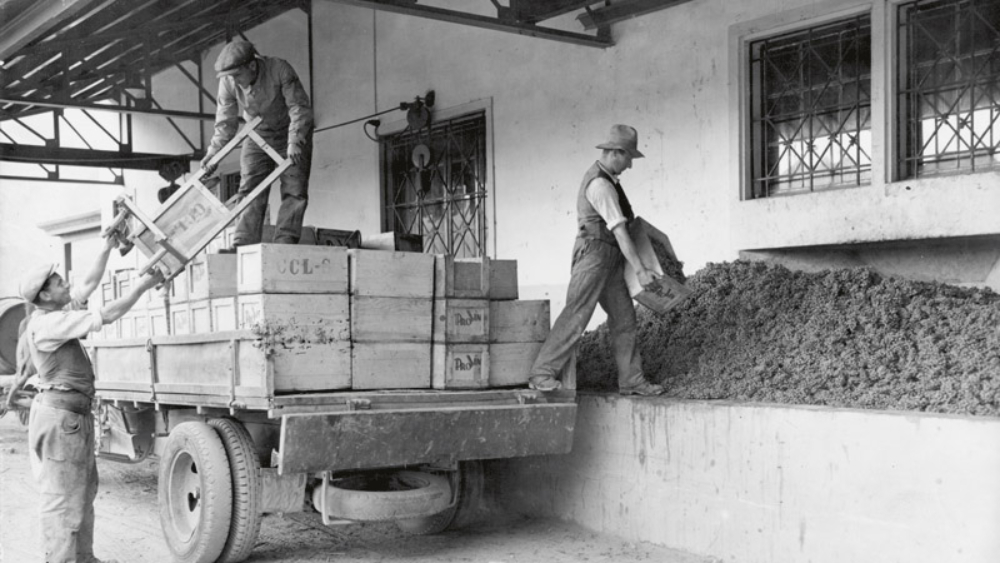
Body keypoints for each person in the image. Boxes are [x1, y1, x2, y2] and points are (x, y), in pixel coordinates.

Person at [18, 236, 163, 563]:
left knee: (83, 491)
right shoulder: (49, 323)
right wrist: (141, 286)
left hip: (71, 416)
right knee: (63, 499)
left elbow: (87, 284)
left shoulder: (57, 312)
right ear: (45, 294)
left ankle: (83, 559)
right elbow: (106, 315)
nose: (65, 283)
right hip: (60, 419)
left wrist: (107, 245)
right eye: (58, 282)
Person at [528, 124, 666, 396]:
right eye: (628, 158)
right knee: (577, 313)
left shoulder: (610, 182)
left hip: (609, 259)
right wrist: (640, 270)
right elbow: (619, 230)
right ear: (616, 152)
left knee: (625, 319)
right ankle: (541, 373)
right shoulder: (600, 185)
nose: (629, 165)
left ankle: (632, 380)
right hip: (593, 256)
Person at [201, 37, 314, 248]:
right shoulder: (227, 82)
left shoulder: (279, 68)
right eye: (229, 77)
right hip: (257, 134)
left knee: (294, 189)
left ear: (252, 65)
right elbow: (225, 122)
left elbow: (299, 107)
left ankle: (285, 242)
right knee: (249, 188)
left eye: (237, 75)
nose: (233, 81)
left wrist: (295, 140)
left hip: (291, 133)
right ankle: (243, 243)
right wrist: (213, 154)